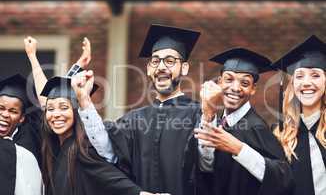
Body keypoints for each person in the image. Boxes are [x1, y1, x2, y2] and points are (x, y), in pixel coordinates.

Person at [72, 24, 202, 195]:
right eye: (155, 61)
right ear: (148, 69)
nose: (161, 67)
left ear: (184, 68)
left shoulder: (198, 114)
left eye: (170, 61)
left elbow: (207, 164)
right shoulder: (135, 119)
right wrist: (84, 100)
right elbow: (107, 150)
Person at [194, 48, 293, 195]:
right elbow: (205, 168)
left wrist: (239, 149)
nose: (235, 88)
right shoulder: (216, 121)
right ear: (220, 82)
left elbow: (281, 178)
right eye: (228, 79)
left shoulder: (257, 128)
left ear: (253, 89)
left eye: (245, 83)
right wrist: (208, 115)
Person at [39, 76, 145, 195]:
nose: (56, 114)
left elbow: (111, 179)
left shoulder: (84, 149)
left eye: (64, 108)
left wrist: (141, 194)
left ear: (76, 112)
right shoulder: (52, 150)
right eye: (50, 109)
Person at [273, 35, 326, 195]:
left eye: (315, 75)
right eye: (300, 76)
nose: (307, 82)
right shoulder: (279, 135)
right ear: (293, 84)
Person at [0, 75, 42, 195]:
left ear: (22, 118)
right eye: (1, 108)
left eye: (13, 111)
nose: (5, 114)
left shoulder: (29, 143)